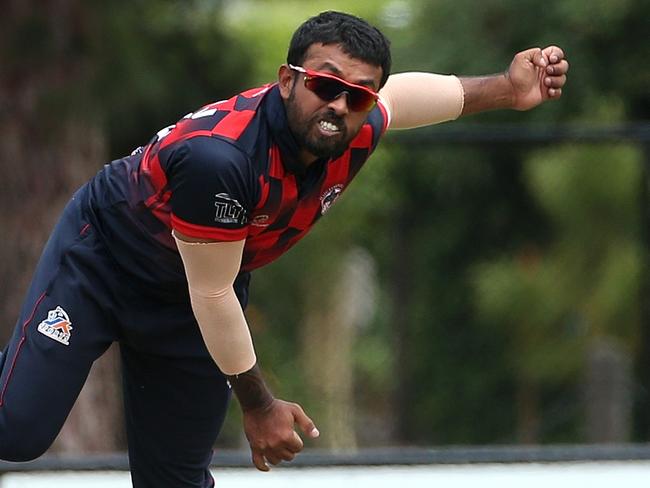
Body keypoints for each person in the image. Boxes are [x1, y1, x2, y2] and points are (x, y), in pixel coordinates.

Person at [0, 10, 568, 487]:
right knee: (17, 430)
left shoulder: (353, 122)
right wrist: (260, 405)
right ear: (287, 80)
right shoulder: (220, 159)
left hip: (191, 297)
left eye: (358, 96)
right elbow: (215, 291)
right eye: (326, 84)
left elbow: (409, 95)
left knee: (174, 481)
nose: (340, 106)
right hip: (106, 264)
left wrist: (509, 89)